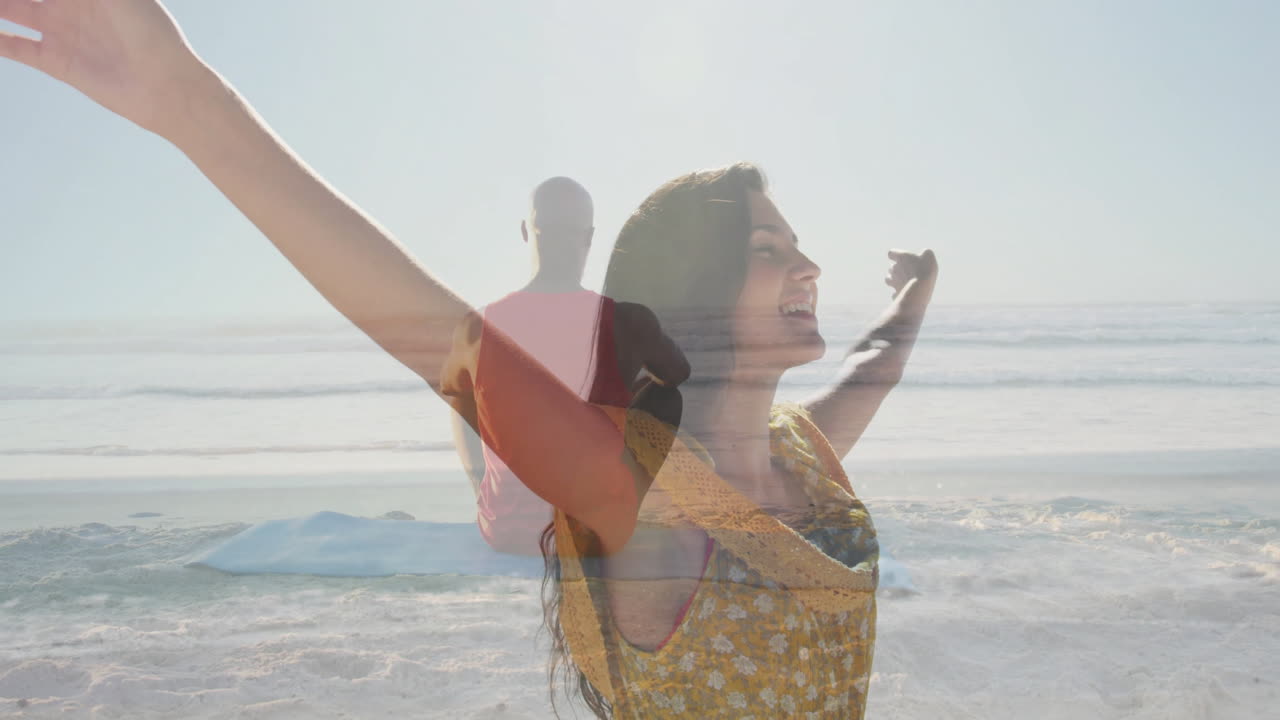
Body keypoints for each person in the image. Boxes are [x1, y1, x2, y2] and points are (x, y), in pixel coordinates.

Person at [0, 3, 937, 717]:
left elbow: (875, 367)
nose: (809, 267)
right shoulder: (638, 491)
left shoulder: (800, 453)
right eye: (769, 249)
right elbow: (432, 335)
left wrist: (916, 294)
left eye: (798, 245)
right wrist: (188, 102)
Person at [453, 177, 688, 555]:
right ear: (589, 237)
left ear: (526, 231)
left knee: (468, 393)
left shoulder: (479, 326)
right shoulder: (626, 320)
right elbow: (678, 372)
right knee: (667, 396)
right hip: (593, 534)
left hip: (507, 530)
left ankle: (499, 498)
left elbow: (460, 405)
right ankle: (628, 508)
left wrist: (479, 486)